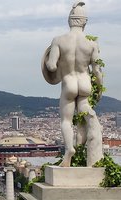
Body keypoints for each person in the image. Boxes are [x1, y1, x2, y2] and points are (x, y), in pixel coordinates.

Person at [42, 1, 103, 167]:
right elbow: (97, 71)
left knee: (66, 121)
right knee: (85, 118)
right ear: (85, 21)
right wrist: (99, 89)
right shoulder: (92, 44)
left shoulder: (59, 40)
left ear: (69, 21)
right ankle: (85, 151)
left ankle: (70, 149)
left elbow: (51, 66)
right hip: (85, 84)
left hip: (69, 84)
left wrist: (51, 62)